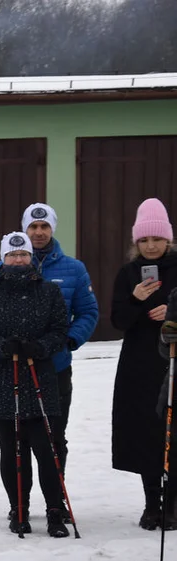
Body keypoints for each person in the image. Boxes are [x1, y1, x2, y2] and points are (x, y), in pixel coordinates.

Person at [0, 203, 99, 510]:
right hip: (9, 371)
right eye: (32, 227)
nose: (38, 232)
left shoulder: (73, 269)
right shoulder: (4, 267)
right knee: (14, 444)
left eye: (44, 227)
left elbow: (88, 311)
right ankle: (19, 504)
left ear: (52, 229)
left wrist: (67, 341)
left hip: (54, 367)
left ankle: (55, 502)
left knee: (53, 439)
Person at [0, 233, 70, 538]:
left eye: (23, 255)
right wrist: (3, 347)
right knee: (12, 449)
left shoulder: (48, 292)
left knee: (48, 449)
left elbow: (61, 329)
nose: (18, 260)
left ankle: (55, 510)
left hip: (39, 376)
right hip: (4, 379)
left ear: (31, 257)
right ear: (3, 259)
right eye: (12, 255)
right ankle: (18, 508)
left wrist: (41, 346)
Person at [114, 199, 177, 531]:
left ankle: (173, 505)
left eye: (157, 239)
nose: (151, 246)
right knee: (145, 432)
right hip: (139, 364)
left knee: (173, 433)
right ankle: (152, 503)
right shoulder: (127, 274)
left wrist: (173, 312)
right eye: (144, 240)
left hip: (173, 361)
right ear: (136, 243)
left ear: (168, 239)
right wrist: (136, 298)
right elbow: (118, 320)